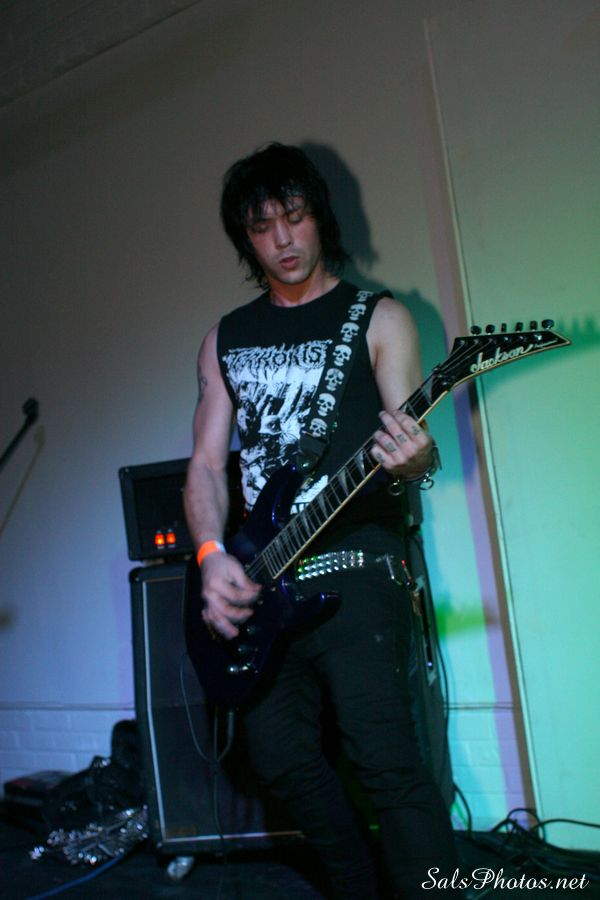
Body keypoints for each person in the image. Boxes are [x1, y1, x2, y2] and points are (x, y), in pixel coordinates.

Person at [183, 143, 458, 899]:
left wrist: (417, 459)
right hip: (264, 584)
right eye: (262, 226)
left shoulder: (379, 317)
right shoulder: (225, 338)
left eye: (296, 216)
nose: (283, 238)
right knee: (281, 764)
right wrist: (209, 554)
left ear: (319, 217)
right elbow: (205, 464)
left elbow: (412, 448)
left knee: (388, 764)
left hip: (359, 565)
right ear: (245, 239)